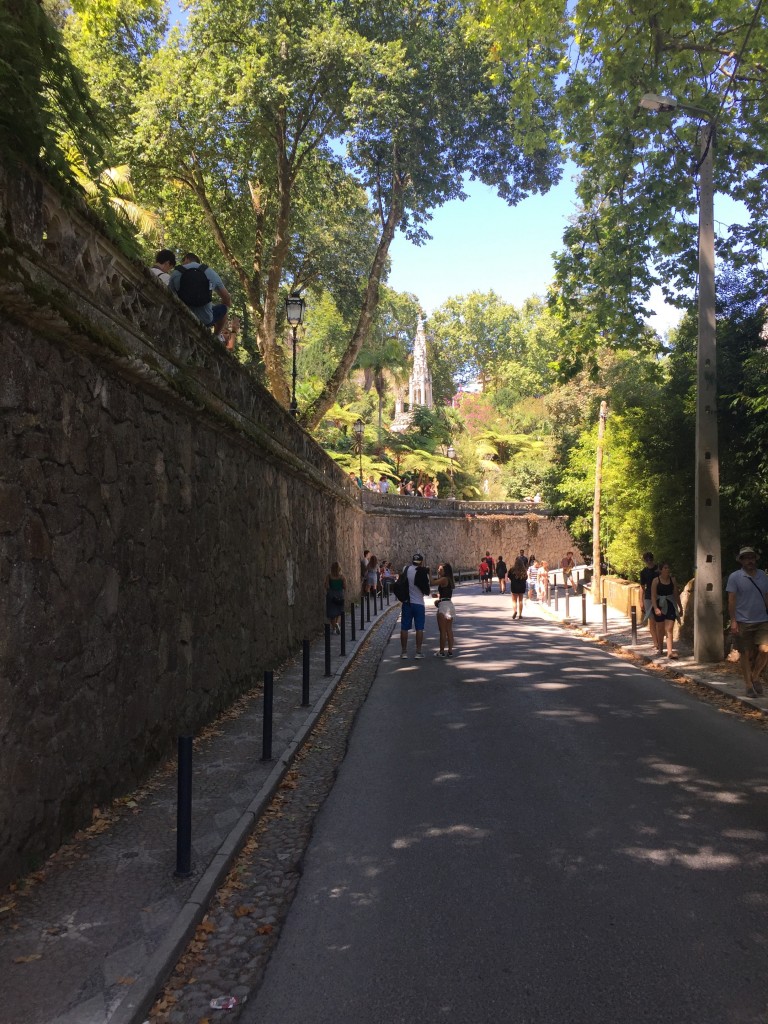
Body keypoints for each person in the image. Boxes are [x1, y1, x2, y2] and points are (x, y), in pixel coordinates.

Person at [725, 546, 768, 697]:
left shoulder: (763, 575)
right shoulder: (735, 577)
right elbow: (731, 600)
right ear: (741, 561)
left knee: (765, 649)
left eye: (752, 557)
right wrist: (733, 620)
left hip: (763, 619)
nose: (749, 560)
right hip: (743, 620)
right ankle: (749, 685)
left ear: (755, 559)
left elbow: (766, 596)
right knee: (745, 653)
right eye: (746, 558)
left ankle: (755, 676)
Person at [169, 252, 232, 340]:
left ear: (187, 259)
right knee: (224, 308)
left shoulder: (176, 273)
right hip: (205, 319)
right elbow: (227, 298)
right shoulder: (210, 272)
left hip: (182, 316)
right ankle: (216, 336)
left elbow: (170, 296)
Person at [400, 553, 431, 659]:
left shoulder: (406, 569)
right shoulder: (424, 572)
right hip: (419, 603)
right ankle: (418, 652)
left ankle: (404, 652)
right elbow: (427, 587)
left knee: (404, 628)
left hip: (407, 602)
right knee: (419, 628)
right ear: (421, 562)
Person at [650, 562, 683, 659]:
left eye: (668, 568)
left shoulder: (672, 580)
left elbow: (676, 594)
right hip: (659, 604)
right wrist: (655, 608)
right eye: (665, 568)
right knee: (660, 629)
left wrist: (680, 607)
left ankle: (670, 652)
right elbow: (653, 596)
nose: (667, 569)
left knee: (669, 628)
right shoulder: (656, 581)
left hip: (670, 605)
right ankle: (660, 648)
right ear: (661, 570)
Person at [639, 552, 662, 654]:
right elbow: (642, 587)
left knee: (659, 621)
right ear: (644, 560)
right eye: (647, 559)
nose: (649, 561)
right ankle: (656, 643)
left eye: (650, 559)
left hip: (660, 596)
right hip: (648, 597)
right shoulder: (643, 572)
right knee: (652, 621)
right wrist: (641, 601)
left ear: (653, 559)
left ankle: (659, 642)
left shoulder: (659, 569)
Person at [433, 562, 456, 657]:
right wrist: (438, 596)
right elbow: (446, 593)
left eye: (440, 569)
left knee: (442, 630)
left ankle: (441, 651)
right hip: (449, 604)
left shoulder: (443, 579)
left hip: (443, 606)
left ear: (445, 571)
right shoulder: (449, 580)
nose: (438, 571)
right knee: (449, 630)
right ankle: (450, 651)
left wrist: (429, 572)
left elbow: (432, 582)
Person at [324, 562, 346, 634]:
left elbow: (326, 586)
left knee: (331, 613)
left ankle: (334, 627)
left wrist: (329, 590)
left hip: (331, 595)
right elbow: (344, 586)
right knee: (339, 611)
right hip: (340, 594)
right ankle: (337, 624)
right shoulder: (342, 577)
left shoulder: (329, 576)